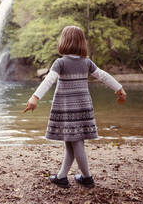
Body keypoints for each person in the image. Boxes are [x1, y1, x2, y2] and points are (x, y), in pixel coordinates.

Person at [23, 26, 127, 188]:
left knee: (76, 142)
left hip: (67, 108)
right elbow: (103, 76)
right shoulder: (86, 62)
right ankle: (61, 176)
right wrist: (118, 88)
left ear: (64, 42)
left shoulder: (61, 62)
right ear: (81, 43)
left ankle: (87, 177)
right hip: (83, 107)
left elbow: (49, 80)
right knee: (70, 141)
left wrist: (35, 97)